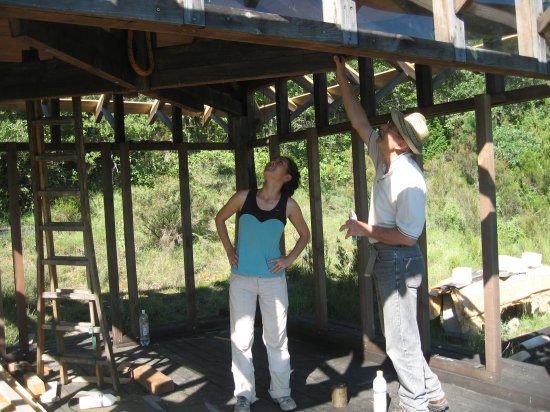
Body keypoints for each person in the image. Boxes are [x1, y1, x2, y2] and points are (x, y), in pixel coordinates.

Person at [334, 56, 450, 412]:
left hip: (399, 259)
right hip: (388, 258)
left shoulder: (409, 181)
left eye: (391, 127)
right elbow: (358, 119)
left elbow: (406, 237)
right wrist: (341, 77)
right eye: (389, 123)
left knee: (399, 342)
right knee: (403, 336)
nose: (384, 126)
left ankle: (414, 404)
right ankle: (433, 393)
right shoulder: (383, 156)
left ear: (400, 143)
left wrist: (363, 229)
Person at [215, 156, 310, 412]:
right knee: (241, 338)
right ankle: (244, 394)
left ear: (287, 177)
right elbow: (219, 219)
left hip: (273, 282)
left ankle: (282, 392)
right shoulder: (243, 197)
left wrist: (288, 259)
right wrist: (229, 250)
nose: (272, 163)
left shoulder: (289, 205)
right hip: (242, 278)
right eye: (272, 161)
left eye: (279, 163)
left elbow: (305, 235)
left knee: (276, 339)